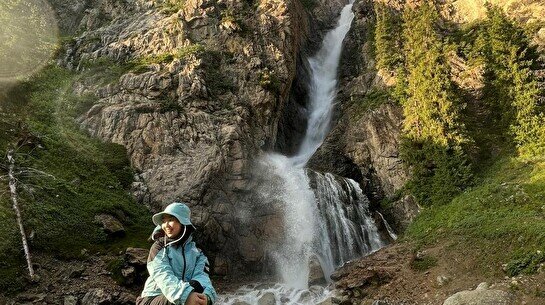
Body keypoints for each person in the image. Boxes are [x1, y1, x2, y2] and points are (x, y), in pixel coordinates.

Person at [136, 202, 217, 305]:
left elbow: (202, 277)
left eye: (171, 220)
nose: (166, 225)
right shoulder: (159, 247)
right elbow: (163, 275)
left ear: (183, 222)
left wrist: (207, 297)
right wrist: (186, 296)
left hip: (181, 296)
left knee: (198, 291)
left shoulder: (198, 252)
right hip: (152, 299)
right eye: (164, 221)